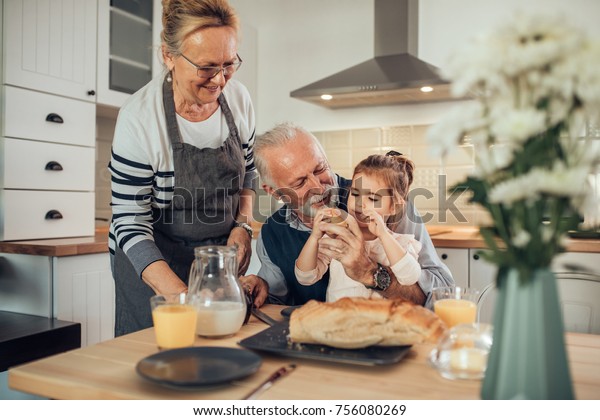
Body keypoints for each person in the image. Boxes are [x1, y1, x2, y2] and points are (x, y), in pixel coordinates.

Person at [108, 0, 259, 336]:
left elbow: (249, 172)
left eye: (229, 64)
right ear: (169, 56)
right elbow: (129, 222)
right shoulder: (140, 119)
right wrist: (182, 297)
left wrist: (243, 228)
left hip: (218, 264)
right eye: (207, 67)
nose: (220, 79)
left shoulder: (240, 99)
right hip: (156, 262)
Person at [243, 122, 454, 308]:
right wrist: (263, 288)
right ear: (274, 191)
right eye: (300, 182)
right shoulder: (272, 233)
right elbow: (277, 300)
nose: (318, 186)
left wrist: (370, 273)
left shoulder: (386, 207)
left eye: (320, 169)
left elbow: (441, 297)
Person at [295, 153, 422, 302]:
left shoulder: (400, 243)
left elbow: (409, 278)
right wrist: (315, 237)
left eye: (373, 198)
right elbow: (305, 277)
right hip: (340, 320)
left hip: (380, 322)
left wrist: (384, 235)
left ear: (394, 207)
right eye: (355, 193)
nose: (360, 203)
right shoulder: (337, 237)